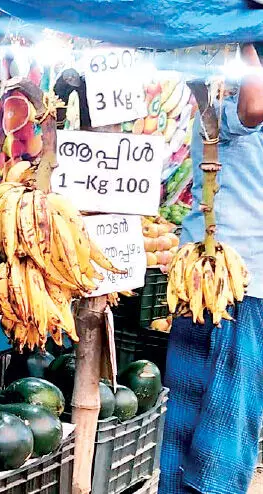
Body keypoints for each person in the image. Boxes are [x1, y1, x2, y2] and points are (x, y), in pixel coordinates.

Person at [161, 43, 263, 494]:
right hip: (210, 281)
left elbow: (255, 104)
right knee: (187, 414)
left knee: (225, 419)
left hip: (243, 285)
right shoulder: (224, 110)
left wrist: (247, 38)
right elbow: (248, 105)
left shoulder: (244, 109)